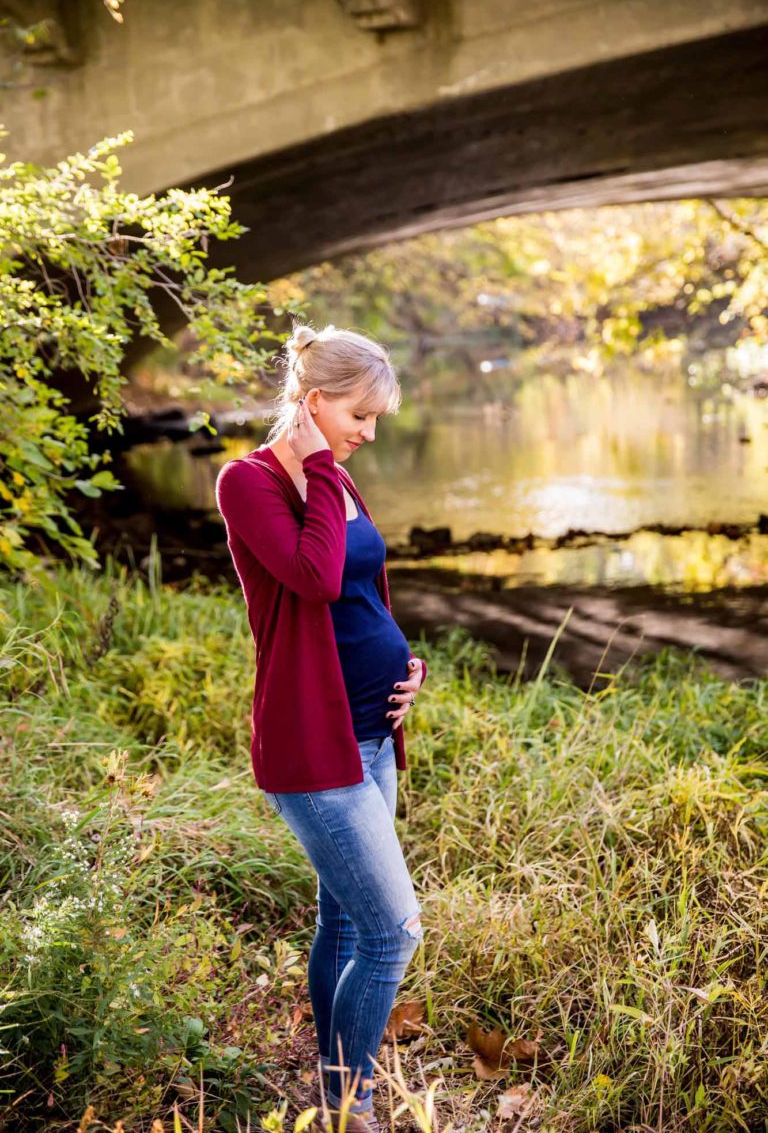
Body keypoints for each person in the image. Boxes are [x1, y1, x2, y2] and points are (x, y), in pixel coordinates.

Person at [215, 323, 429, 1133]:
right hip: (313, 744)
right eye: (359, 418)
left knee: (341, 919)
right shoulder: (251, 483)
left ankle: (333, 1080)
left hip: (371, 734)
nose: (368, 436)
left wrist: (404, 669)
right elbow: (311, 577)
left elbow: (361, 591)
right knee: (393, 929)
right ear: (314, 404)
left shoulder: (333, 478)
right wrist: (316, 470)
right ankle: (351, 1103)